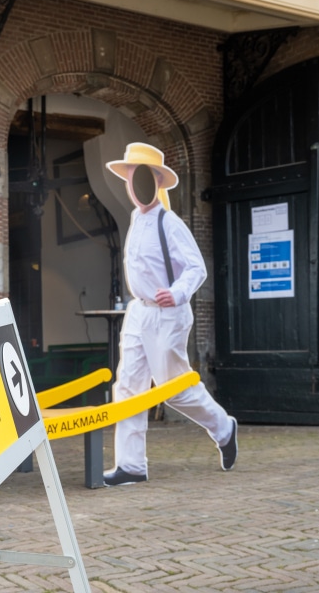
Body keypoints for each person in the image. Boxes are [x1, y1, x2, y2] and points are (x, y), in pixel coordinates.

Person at [102, 142, 237, 486]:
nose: (133, 184)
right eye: (130, 177)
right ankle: (131, 465)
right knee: (128, 388)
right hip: (139, 313)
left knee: (172, 388)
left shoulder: (169, 223)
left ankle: (223, 427)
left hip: (167, 316)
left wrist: (175, 293)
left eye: (139, 176)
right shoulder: (135, 218)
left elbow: (196, 269)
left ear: (155, 181)